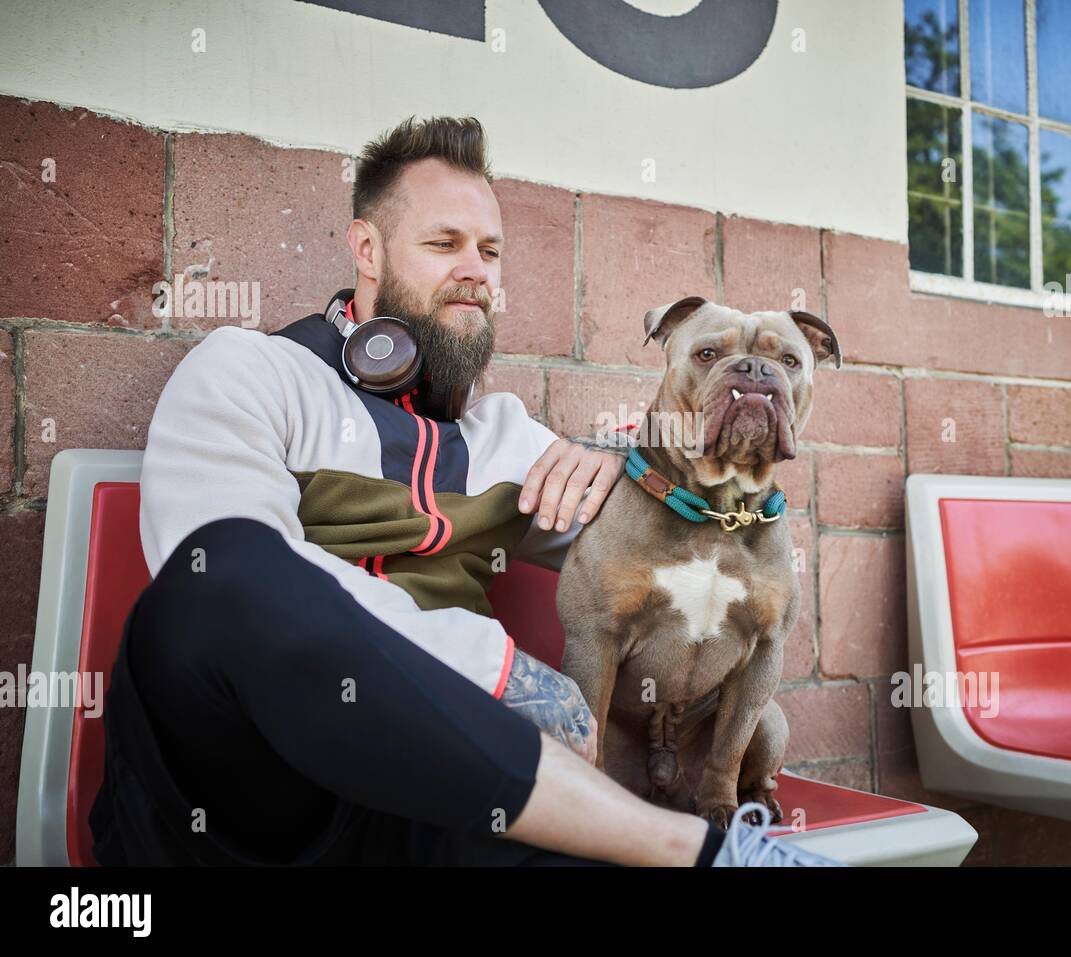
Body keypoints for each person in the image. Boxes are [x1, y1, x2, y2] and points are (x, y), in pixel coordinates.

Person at [88, 115, 838, 867]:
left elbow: (664, 529)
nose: (475, 269)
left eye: (489, 251)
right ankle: (699, 853)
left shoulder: (510, 439)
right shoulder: (251, 372)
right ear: (368, 250)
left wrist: (630, 456)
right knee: (222, 565)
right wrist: (497, 669)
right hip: (250, 804)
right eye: (444, 244)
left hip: (441, 808)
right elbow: (221, 587)